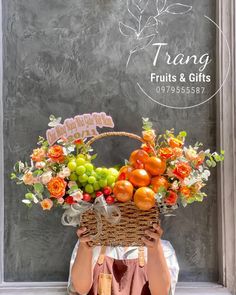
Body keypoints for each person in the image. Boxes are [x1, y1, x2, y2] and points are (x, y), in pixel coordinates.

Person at [67, 223, 179, 295]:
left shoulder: (163, 249)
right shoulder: (91, 244)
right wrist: (85, 249)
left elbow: (161, 292)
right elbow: (81, 289)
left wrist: (154, 248)